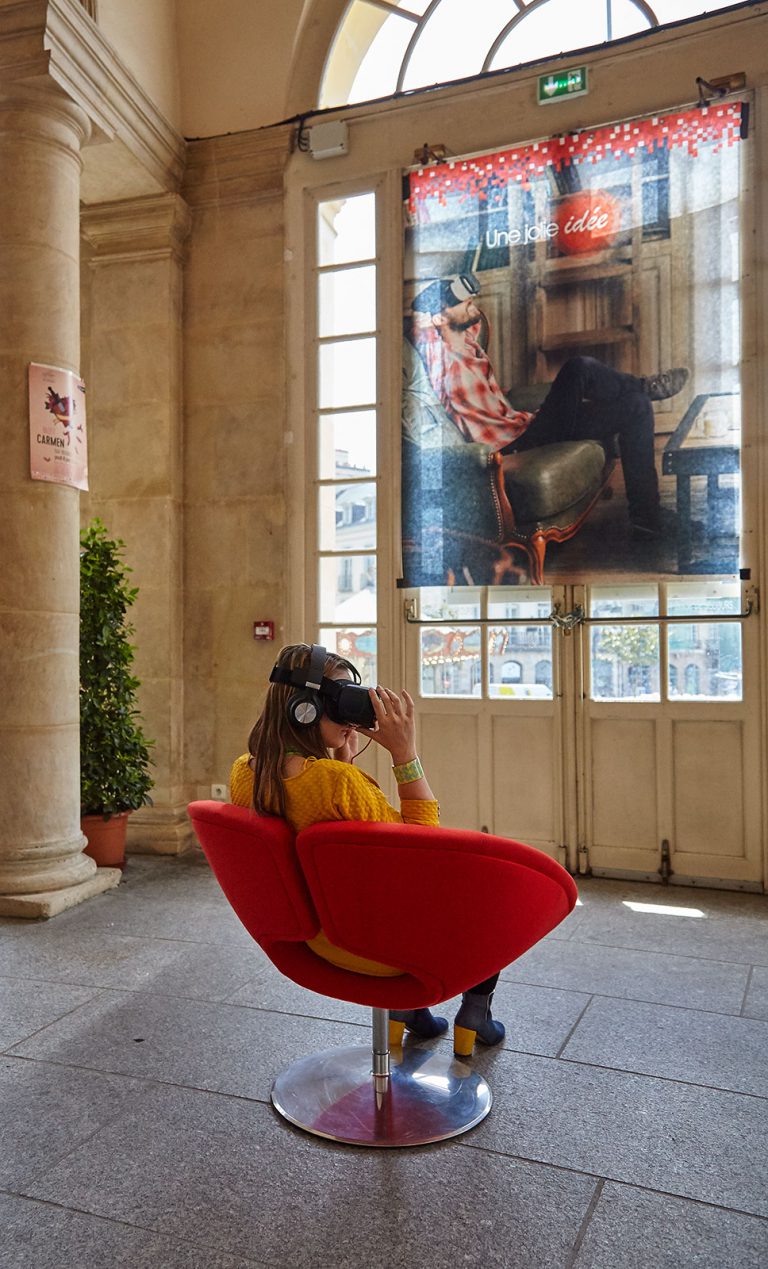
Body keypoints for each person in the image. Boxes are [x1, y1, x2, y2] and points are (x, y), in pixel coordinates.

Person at [230, 642, 504, 1058]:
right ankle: (476, 1011)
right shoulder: (336, 783)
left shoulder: (244, 773)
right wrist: (404, 753)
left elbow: (342, 835)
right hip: (380, 950)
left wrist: (341, 759)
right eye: (338, 702)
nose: (349, 714)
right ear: (303, 708)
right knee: (486, 894)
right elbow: (420, 847)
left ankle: (409, 1012)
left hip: (316, 943)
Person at [410, 272, 689, 538]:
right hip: (511, 444)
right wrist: (428, 306)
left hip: (528, 425)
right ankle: (644, 385)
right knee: (578, 367)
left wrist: (457, 294)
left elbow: (473, 317)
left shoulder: (469, 340)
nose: (472, 306)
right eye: (462, 303)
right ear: (436, 317)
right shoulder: (439, 356)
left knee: (637, 406)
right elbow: (416, 325)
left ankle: (647, 521)